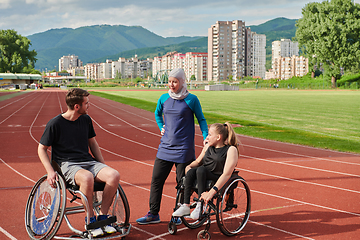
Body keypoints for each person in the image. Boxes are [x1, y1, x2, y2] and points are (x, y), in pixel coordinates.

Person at [38, 88, 120, 237]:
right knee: (87, 177)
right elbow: (41, 149)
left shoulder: (86, 120)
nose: (89, 106)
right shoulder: (55, 124)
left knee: (114, 175)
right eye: (86, 103)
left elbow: (92, 143)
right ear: (77, 106)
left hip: (87, 161)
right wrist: (50, 171)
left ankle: (102, 218)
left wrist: (103, 165)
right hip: (67, 164)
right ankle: (90, 220)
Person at [136, 68, 208, 225]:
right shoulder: (163, 98)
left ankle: (178, 213)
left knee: (182, 182)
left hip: (184, 148)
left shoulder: (191, 100)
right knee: (156, 180)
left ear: (182, 81)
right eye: (169, 81)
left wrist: (205, 137)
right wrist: (161, 126)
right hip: (165, 147)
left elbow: (201, 119)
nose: (171, 84)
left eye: (175, 81)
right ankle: (153, 213)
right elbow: (157, 114)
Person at [172, 122, 240, 220]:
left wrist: (211, 192)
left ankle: (200, 205)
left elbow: (226, 174)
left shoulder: (231, 150)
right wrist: (189, 166)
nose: (207, 137)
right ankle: (185, 205)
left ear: (218, 137)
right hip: (203, 174)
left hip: (218, 177)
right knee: (192, 171)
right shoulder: (208, 147)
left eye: (210, 135)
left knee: (201, 170)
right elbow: (197, 161)